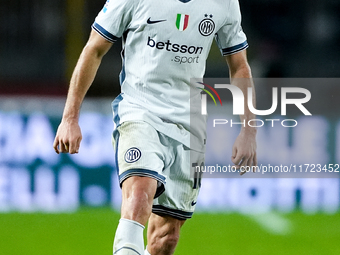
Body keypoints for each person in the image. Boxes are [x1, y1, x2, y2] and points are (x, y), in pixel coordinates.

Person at [53, 0, 257, 254]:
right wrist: (70, 118)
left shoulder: (225, 3)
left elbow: (238, 66)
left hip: (189, 126)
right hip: (140, 111)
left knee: (166, 238)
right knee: (140, 194)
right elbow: (94, 48)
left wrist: (248, 130)